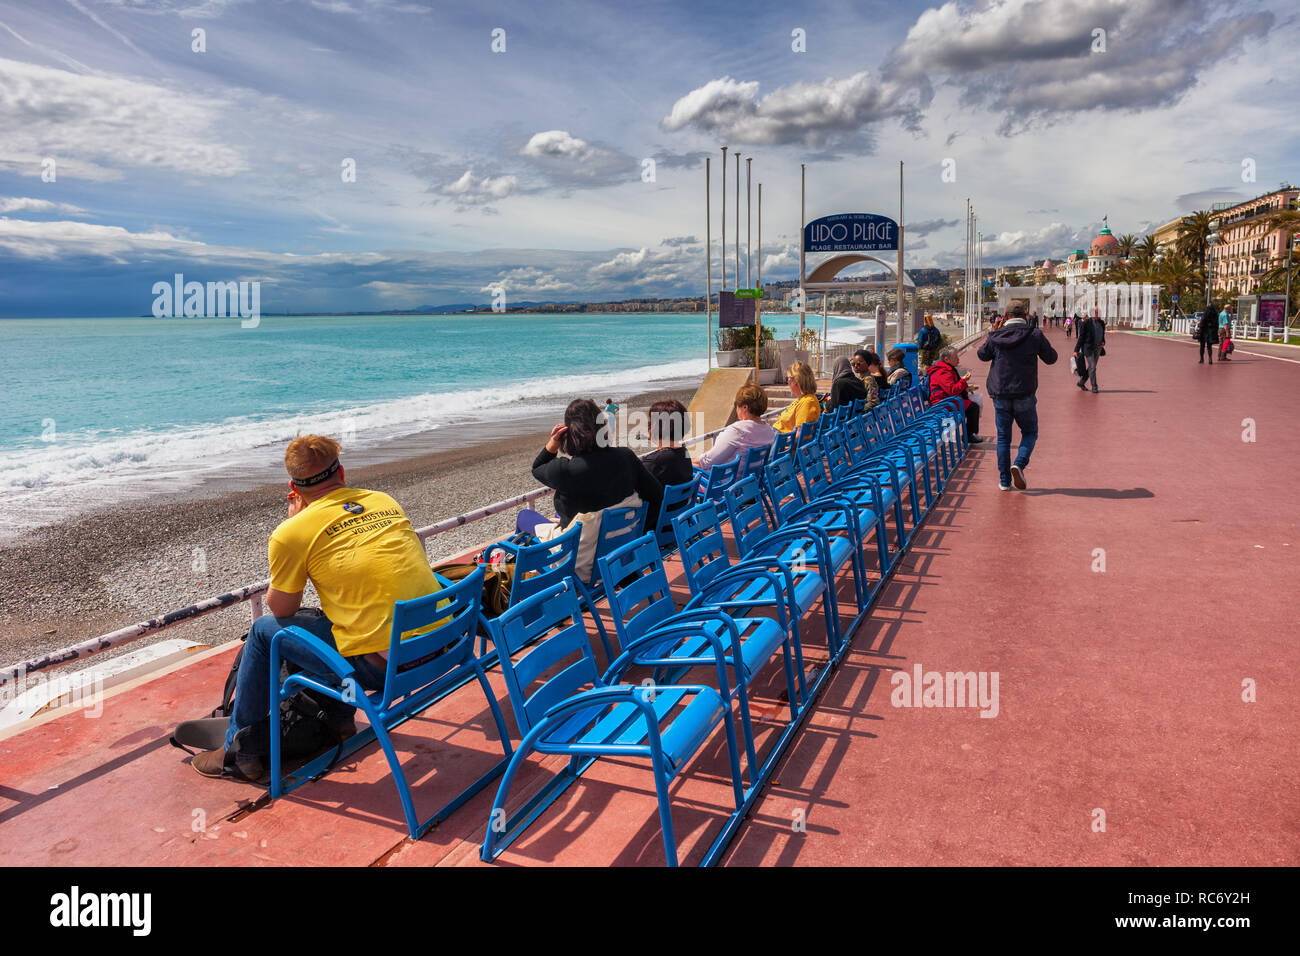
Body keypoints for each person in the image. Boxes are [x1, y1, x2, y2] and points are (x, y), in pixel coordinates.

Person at [192, 435, 439, 781]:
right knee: (328, 619)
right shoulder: (383, 501)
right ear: (342, 473)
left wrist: (294, 526)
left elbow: (281, 608)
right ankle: (337, 723)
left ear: (293, 487)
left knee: (265, 632)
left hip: (390, 669)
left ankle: (239, 748)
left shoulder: (291, 532)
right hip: (445, 648)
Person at [522, 399, 662, 575]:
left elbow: (537, 468)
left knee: (525, 516)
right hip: (618, 555)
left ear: (569, 433)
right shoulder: (625, 457)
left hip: (577, 562)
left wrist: (553, 443)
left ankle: (527, 587)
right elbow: (657, 495)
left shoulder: (566, 470)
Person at [977, 304, 1058, 491]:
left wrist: (992, 333)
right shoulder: (1034, 334)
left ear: (1005, 316)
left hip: (1000, 393)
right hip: (1024, 393)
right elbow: (1051, 358)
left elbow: (982, 355)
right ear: (1026, 315)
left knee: (1004, 438)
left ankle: (1004, 481)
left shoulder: (996, 335)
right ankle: (1019, 464)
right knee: (1030, 432)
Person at [699, 383, 779, 469]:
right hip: (752, 479)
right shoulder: (769, 431)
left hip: (729, 481)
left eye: (736, 405)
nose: (736, 409)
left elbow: (707, 462)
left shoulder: (737, 431)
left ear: (745, 407)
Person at [927, 346, 984, 442]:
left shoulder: (947, 369)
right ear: (946, 359)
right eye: (955, 357)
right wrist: (963, 380)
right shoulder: (943, 372)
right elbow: (952, 390)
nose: (958, 359)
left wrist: (964, 384)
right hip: (943, 403)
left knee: (973, 405)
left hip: (948, 399)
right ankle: (969, 436)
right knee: (973, 407)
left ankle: (970, 434)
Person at [639, 398, 693, 484]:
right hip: (682, 497)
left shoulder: (655, 462)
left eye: (651, 422)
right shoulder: (684, 452)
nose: (648, 425)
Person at [774, 361, 821, 432]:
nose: (787, 382)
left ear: (795, 380)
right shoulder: (801, 399)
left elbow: (799, 435)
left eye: (787, 378)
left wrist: (781, 441)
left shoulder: (807, 402)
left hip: (779, 439)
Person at [1074, 310, 1105, 391]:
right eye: (1095, 312)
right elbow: (1081, 337)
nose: (1097, 314)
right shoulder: (1087, 323)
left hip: (1098, 348)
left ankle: (1081, 382)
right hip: (1088, 348)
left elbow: (1102, 333)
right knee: (1093, 367)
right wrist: (1076, 350)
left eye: (1098, 312)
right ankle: (1094, 387)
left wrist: (1103, 341)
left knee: (1092, 367)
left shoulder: (1101, 323)